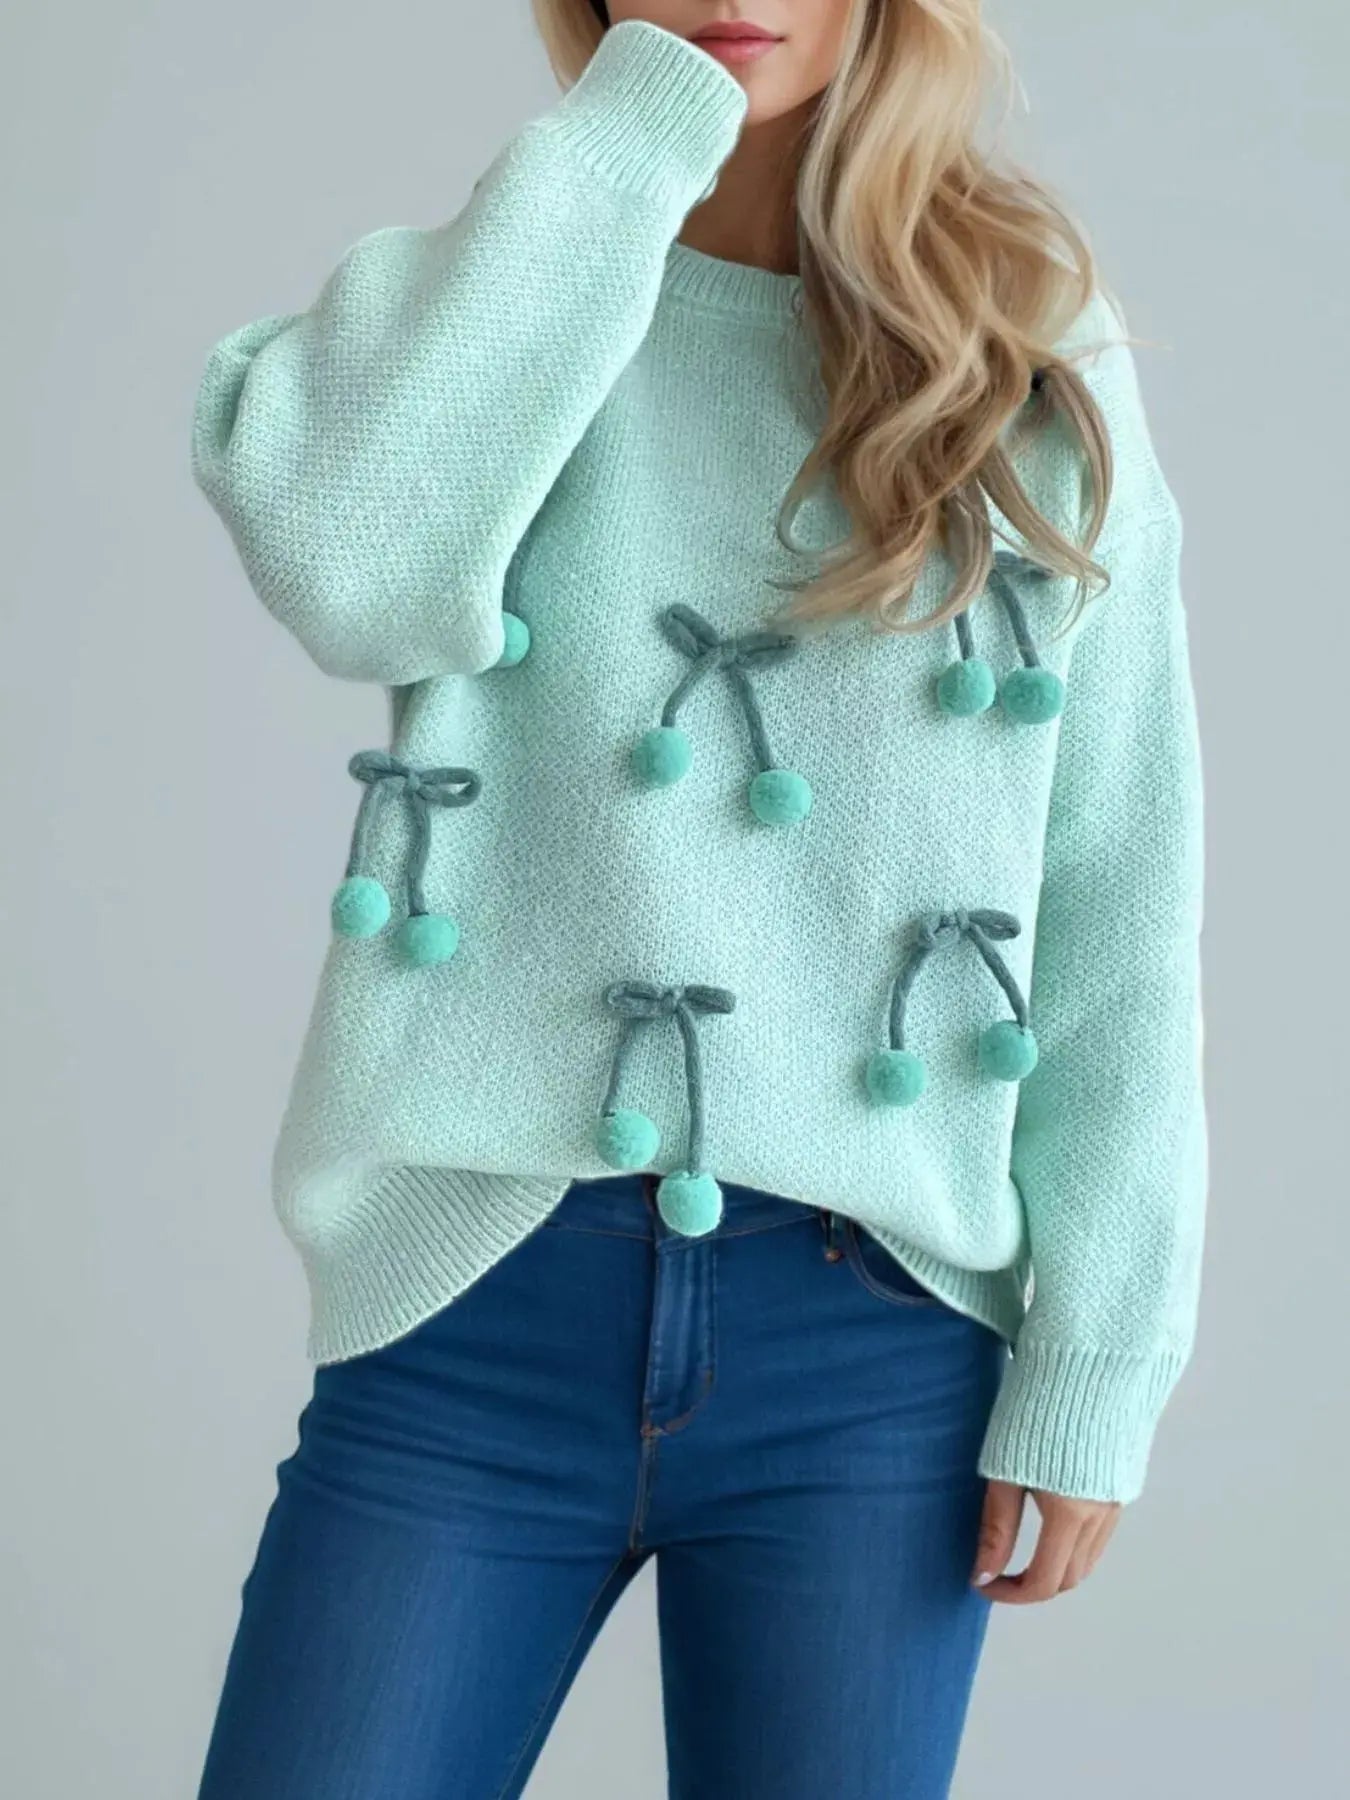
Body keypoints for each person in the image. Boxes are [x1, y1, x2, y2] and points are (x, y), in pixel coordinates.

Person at [188, 4, 1207, 1795]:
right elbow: (351, 577)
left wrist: (1098, 1363)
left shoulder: (1021, 349)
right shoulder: (492, 299)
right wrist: (628, 124)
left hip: (871, 1339)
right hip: (473, 1305)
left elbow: (1118, 884)